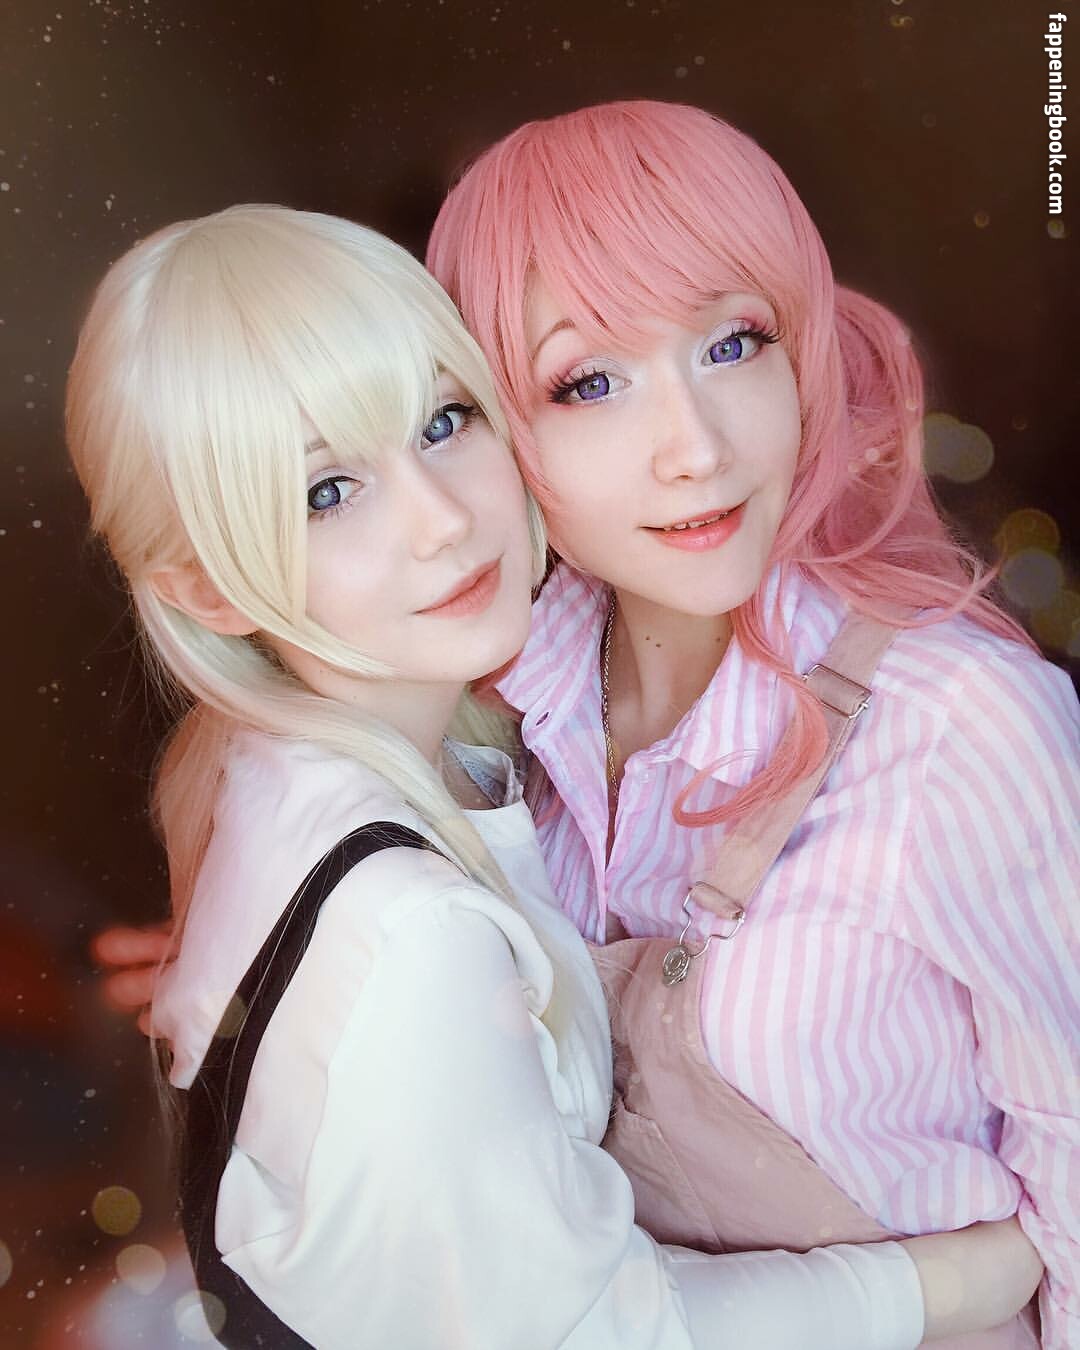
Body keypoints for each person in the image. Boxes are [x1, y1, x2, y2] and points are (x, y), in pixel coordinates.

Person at [68, 203, 1045, 1349]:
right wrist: (950, 1285)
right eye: (327, 492)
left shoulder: (256, 762)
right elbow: (589, 1336)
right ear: (204, 589)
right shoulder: (411, 928)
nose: (442, 520)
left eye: (443, 420)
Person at [423, 100, 1080, 1348]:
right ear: (495, 425)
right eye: (591, 381)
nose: (696, 448)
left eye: (734, 343)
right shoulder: (490, 731)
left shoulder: (960, 723)